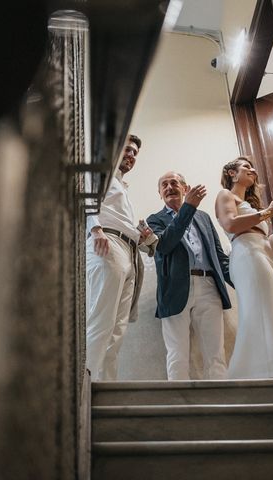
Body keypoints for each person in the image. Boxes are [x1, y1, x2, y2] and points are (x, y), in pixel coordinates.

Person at [215, 156, 273, 379]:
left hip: (261, 256)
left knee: (270, 309)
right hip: (246, 257)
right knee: (261, 309)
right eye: (246, 167)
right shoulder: (226, 196)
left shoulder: (252, 207)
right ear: (232, 173)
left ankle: (264, 369)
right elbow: (230, 223)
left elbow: (269, 245)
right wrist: (269, 212)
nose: (253, 171)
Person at [146, 172, 232, 380]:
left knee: (216, 353)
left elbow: (219, 256)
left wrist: (242, 282)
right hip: (174, 290)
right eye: (164, 185)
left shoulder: (203, 217)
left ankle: (221, 406)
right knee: (177, 353)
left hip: (209, 285)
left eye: (174, 182)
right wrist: (188, 208)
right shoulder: (154, 219)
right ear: (159, 193)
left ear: (185, 188)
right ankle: (179, 408)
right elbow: (165, 245)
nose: (169, 187)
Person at [86, 134, 157, 381]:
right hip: (108, 246)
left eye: (135, 153)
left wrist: (143, 236)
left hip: (129, 252)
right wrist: (95, 230)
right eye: (127, 149)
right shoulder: (100, 173)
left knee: (118, 330)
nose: (131, 155)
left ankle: (105, 385)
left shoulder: (122, 187)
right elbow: (86, 198)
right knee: (101, 320)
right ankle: (86, 385)